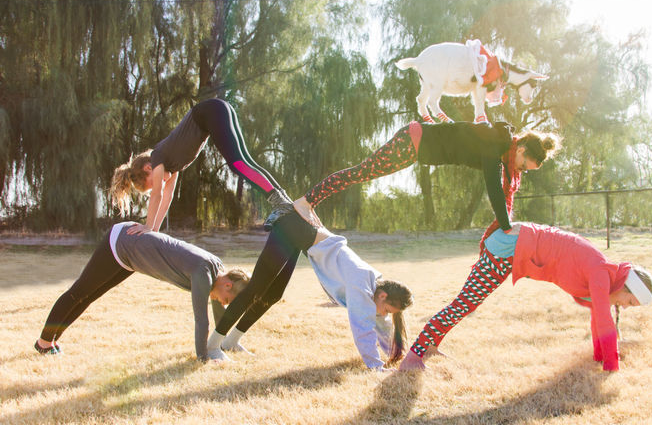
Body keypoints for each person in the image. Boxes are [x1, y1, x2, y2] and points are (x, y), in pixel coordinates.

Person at [399, 222, 652, 372]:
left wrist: (600, 357)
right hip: (507, 249)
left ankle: (430, 346)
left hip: (512, 246)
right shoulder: (602, 274)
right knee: (464, 304)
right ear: (626, 287)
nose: (626, 307)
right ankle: (414, 355)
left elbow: (598, 316)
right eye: (630, 302)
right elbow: (603, 317)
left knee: (466, 304)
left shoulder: (605, 273)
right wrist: (612, 366)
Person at [206, 210, 413, 370]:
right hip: (293, 228)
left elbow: (382, 323)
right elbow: (363, 327)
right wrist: (376, 366)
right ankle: (213, 346)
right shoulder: (361, 283)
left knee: (273, 294)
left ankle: (231, 341)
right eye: (387, 309)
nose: (384, 314)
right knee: (255, 289)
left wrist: (400, 355)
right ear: (384, 296)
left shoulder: (374, 287)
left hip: (301, 237)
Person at [294, 120, 560, 235]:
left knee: (361, 173)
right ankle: (306, 202)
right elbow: (494, 188)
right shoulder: (496, 144)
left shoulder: (500, 145)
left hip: (413, 146)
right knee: (361, 172)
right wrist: (506, 226)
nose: (519, 172)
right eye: (524, 166)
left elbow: (499, 184)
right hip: (411, 142)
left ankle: (309, 202)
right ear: (521, 150)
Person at [35, 222, 250, 361]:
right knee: (79, 291)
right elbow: (201, 320)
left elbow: (217, 312)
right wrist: (204, 356)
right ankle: (44, 343)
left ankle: (52, 342)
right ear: (228, 285)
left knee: (89, 296)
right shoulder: (204, 274)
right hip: (121, 242)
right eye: (227, 299)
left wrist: (220, 343)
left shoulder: (217, 269)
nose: (223, 303)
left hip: (131, 258)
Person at [110, 98, 293, 233]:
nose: (161, 182)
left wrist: (147, 226)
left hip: (209, 112)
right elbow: (167, 197)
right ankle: (282, 199)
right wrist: (154, 230)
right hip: (217, 109)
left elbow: (157, 194)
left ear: (147, 168)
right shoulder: (172, 165)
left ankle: (280, 203)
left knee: (237, 164)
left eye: (153, 181)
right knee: (244, 162)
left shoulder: (158, 155)